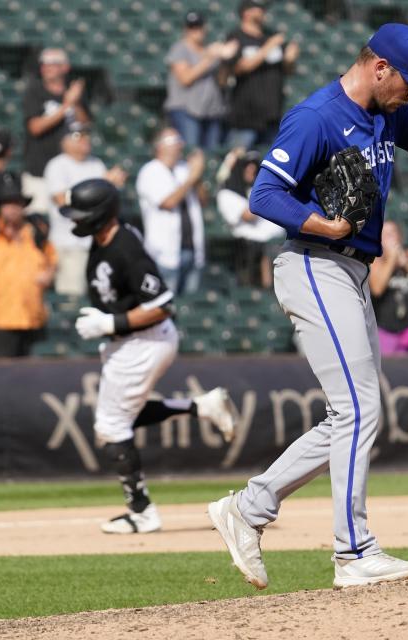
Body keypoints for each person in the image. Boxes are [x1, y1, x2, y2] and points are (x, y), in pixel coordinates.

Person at [207, 23, 408, 590]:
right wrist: (322, 222)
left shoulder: (390, 113)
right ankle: (353, 552)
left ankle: (248, 509)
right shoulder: (316, 117)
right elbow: (264, 194)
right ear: (380, 67)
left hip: (351, 269)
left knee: (351, 412)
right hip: (314, 261)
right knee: (359, 408)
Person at [59, 178, 237, 533]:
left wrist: (112, 322)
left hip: (144, 341)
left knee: (111, 426)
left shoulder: (126, 247)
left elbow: (162, 306)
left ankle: (142, 513)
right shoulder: (103, 240)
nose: (74, 221)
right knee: (123, 416)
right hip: (132, 341)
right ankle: (200, 407)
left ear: (101, 215)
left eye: (81, 214)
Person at [0, 172, 57, 357]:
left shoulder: (36, 232)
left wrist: (49, 273)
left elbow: (52, 259)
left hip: (33, 316)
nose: (13, 208)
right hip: (1, 320)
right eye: (7, 203)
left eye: (16, 202)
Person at [44, 123, 127, 296]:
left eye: (86, 135)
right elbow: (61, 200)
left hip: (93, 243)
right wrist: (106, 182)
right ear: (64, 141)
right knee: (71, 297)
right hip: (67, 243)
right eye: (77, 136)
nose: (84, 140)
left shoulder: (95, 164)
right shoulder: (57, 165)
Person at [135, 128, 206, 296]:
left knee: (191, 308)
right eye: (175, 141)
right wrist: (191, 178)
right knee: (165, 305)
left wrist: (196, 177)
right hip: (164, 252)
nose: (180, 145)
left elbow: (203, 201)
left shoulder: (184, 168)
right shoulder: (150, 171)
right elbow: (168, 202)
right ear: (160, 147)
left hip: (192, 248)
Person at [224, 0, 300, 149]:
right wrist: (269, 46)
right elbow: (239, 68)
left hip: (271, 116)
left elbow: (288, 71)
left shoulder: (269, 36)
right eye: (258, 8)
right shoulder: (236, 37)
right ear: (246, 12)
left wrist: (290, 59)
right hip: (245, 117)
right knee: (239, 164)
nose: (263, 11)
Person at [23, 48, 90, 214]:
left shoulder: (73, 93)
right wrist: (66, 105)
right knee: (39, 219)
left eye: (52, 64)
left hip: (71, 171)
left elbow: (85, 125)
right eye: (44, 64)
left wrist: (74, 102)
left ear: (65, 67)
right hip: (40, 171)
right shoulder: (35, 91)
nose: (47, 68)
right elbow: (35, 127)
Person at [165, 11, 238, 150]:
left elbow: (222, 81)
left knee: (211, 155)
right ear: (186, 29)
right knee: (192, 153)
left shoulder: (209, 49)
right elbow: (186, 78)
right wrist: (210, 57)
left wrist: (225, 60)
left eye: (199, 26)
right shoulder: (180, 49)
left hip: (211, 111)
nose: (196, 30)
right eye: (192, 27)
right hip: (186, 110)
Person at [216, 148, 284, 288]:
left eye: (254, 170)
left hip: (276, 240)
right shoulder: (227, 194)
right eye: (247, 168)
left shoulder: (254, 190)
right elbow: (249, 215)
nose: (251, 173)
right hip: (247, 248)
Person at [369, 220, 408, 356]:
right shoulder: (375, 261)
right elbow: (377, 289)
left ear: (400, 237)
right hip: (387, 331)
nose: (389, 237)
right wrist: (391, 260)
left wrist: (406, 263)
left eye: (392, 233)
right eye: (385, 234)